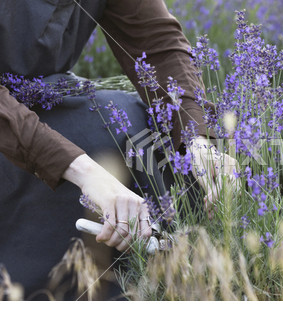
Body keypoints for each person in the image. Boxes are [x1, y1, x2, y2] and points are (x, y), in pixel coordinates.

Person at [0, 0, 237, 300]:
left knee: (134, 130)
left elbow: (156, 42)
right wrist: (85, 172)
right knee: (90, 148)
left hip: (42, 94)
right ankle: (46, 290)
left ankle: (154, 279)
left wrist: (197, 138)